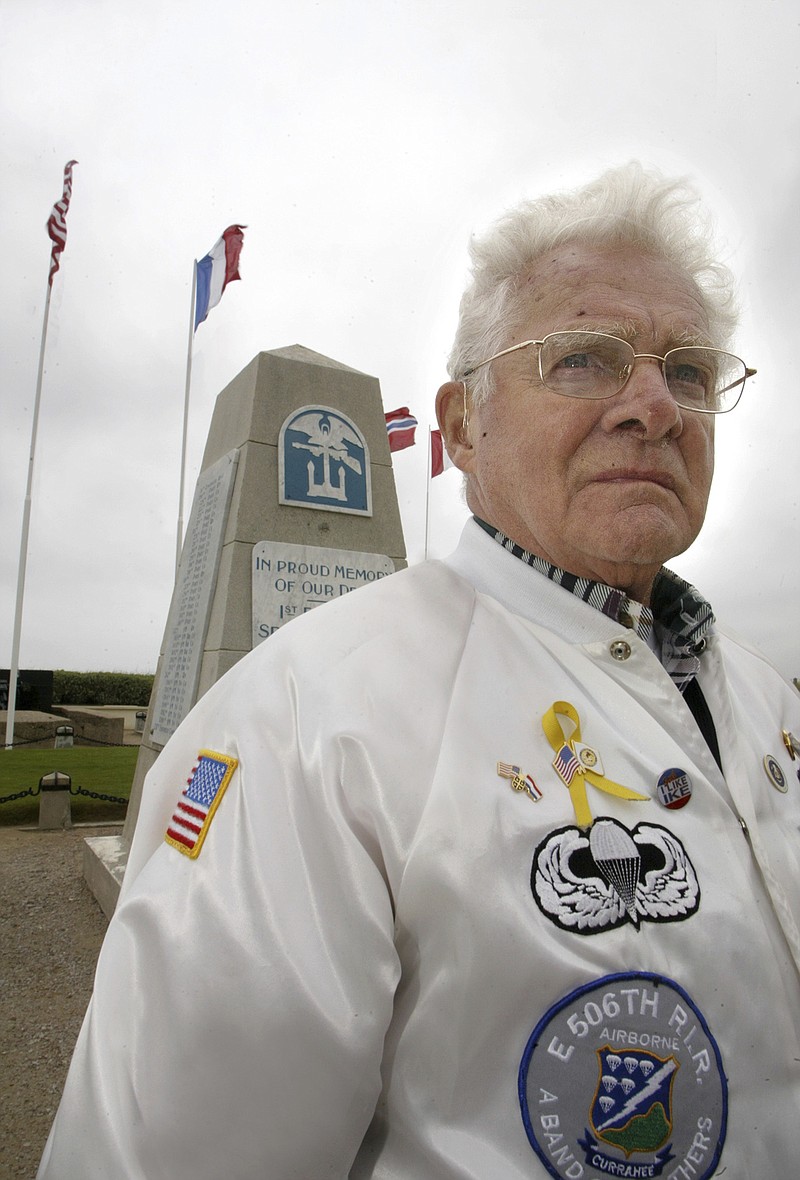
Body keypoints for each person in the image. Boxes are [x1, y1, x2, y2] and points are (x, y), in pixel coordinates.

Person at [40, 163, 800, 1180]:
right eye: (583, 359)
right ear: (458, 426)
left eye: (691, 370)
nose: (655, 406)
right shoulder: (307, 723)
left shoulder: (765, 698)